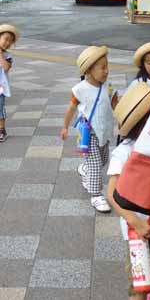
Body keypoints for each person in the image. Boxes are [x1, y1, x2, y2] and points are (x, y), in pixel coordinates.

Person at [108, 82, 150, 300]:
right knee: (139, 277)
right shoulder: (124, 152)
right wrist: (134, 221)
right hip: (137, 228)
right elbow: (112, 194)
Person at [61, 45, 118, 213]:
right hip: (88, 133)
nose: (107, 71)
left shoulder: (108, 87)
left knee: (103, 160)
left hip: (104, 132)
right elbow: (71, 108)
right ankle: (96, 195)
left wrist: (125, 122)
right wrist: (65, 127)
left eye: (107, 66)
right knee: (95, 165)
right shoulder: (80, 89)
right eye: (102, 68)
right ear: (89, 71)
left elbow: (117, 106)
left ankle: (85, 169)